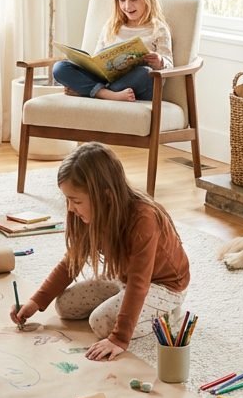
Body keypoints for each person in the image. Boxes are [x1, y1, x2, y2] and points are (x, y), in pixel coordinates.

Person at [11, 142, 189, 360]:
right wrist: (36, 301)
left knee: (100, 323)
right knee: (64, 307)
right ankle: (123, 302)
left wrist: (119, 338)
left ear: (104, 196)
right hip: (123, 279)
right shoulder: (89, 214)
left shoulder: (144, 218)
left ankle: (168, 314)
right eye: (67, 199)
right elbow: (72, 262)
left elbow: (139, 282)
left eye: (75, 201)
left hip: (164, 287)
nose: (69, 208)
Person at [52, 0, 172, 103]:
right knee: (60, 67)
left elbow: (169, 65)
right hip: (107, 81)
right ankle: (106, 94)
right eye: (122, 0)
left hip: (135, 84)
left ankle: (90, 91)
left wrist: (160, 61)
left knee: (146, 73)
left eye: (134, 0)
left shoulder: (159, 29)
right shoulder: (112, 26)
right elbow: (96, 59)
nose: (127, 6)